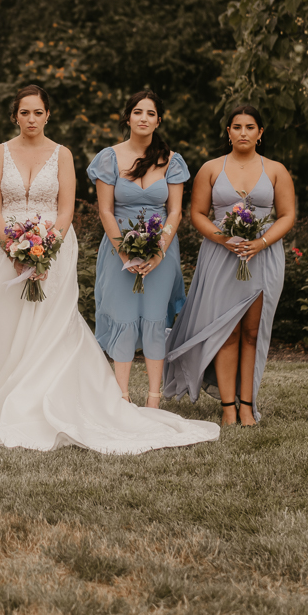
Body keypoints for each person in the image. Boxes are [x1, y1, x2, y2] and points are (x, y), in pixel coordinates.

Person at [0, 85, 219, 453]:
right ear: (14, 117)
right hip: (5, 249)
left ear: (47, 115)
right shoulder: (0, 153)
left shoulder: (62, 154)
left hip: (53, 247)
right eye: (25, 113)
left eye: (38, 112)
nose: (32, 119)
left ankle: (70, 395)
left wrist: (44, 249)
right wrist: (14, 249)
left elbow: (66, 209)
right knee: (2, 322)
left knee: (48, 324)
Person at [163, 104, 295, 426]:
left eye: (250, 127)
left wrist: (260, 242)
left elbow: (287, 215)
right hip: (221, 257)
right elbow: (197, 214)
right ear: (228, 132)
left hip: (263, 258)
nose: (243, 133)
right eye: (237, 127)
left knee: (251, 333)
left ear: (260, 134)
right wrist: (224, 239)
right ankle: (227, 408)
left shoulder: (276, 170)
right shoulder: (211, 168)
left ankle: (247, 405)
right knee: (225, 332)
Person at [86, 91, 189, 407]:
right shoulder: (109, 158)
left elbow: (175, 211)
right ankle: (121, 397)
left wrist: (158, 252)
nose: (144, 118)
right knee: (124, 317)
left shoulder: (172, 160)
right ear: (128, 117)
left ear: (159, 120)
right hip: (119, 250)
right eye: (137, 112)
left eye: (151, 113)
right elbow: (105, 210)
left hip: (162, 250)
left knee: (156, 318)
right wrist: (125, 253)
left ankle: (154, 399)